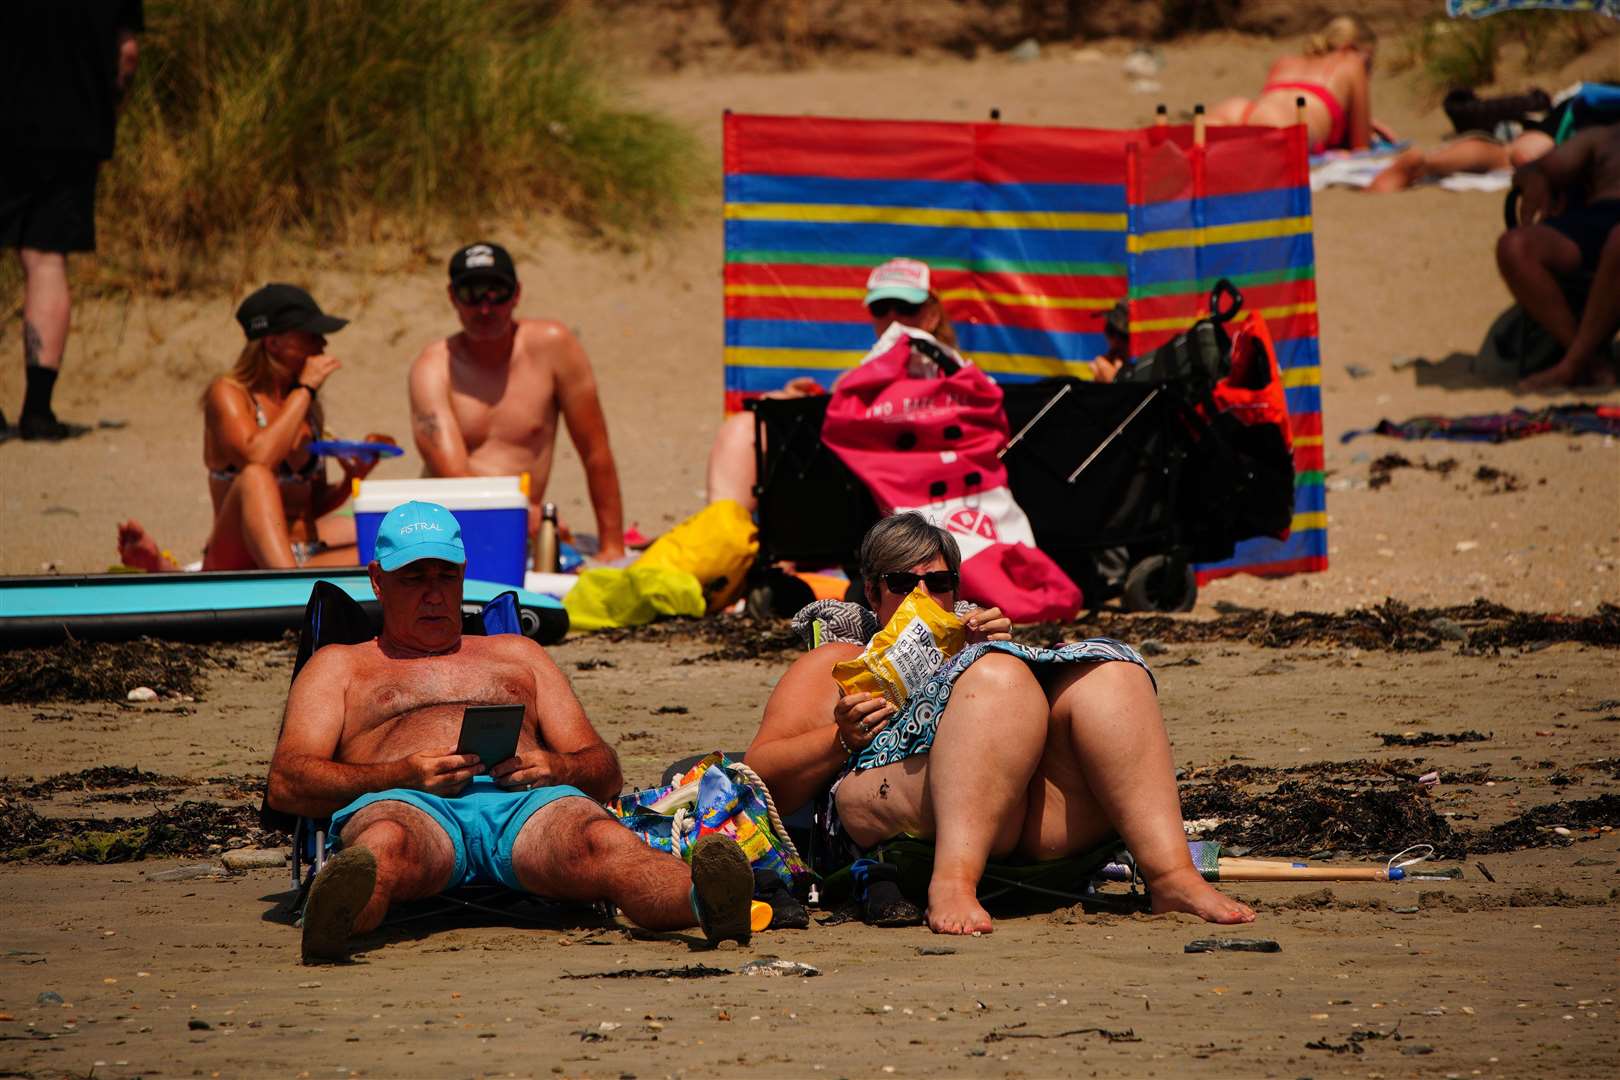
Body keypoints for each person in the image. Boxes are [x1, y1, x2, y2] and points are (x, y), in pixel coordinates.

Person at [266, 500, 754, 963]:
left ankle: (705, 901)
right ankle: (336, 921)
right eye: (414, 577)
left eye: (446, 575)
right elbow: (287, 783)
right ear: (377, 580)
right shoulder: (341, 666)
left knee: (605, 842)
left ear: (463, 574)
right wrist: (398, 775)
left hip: (525, 808)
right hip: (407, 803)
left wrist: (556, 766)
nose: (434, 593)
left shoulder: (518, 655)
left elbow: (604, 771)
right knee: (385, 846)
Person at [744, 513, 1254, 936]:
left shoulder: (977, 638)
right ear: (873, 593)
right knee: (997, 677)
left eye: (939, 583)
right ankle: (954, 883)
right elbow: (758, 774)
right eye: (903, 583)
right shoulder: (838, 658)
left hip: (1024, 816)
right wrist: (840, 739)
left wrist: (1006, 653)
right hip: (886, 802)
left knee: (1111, 675)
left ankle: (1171, 875)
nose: (923, 595)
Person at [706, 257, 1120, 510]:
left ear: (932, 315)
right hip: (856, 494)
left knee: (750, 428)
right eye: (881, 309)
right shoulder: (863, 376)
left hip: (931, 499)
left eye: (905, 307)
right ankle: (725, 548)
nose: (893, 319)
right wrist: (795, 403)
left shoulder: (965, 381)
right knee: (746, 426)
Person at [116, 283, 387, 571]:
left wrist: (350, 480)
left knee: (391, 553)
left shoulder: (305, 406)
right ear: (273, 344)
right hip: (237, 558)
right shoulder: (229, 394)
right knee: (255, 477)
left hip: (300, 555)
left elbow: (310, 505)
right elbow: (258, 458)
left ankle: (291, 583)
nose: (323, 345)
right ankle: (291, 592)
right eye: (311, 336)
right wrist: (305, 389)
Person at [409, 242, 626, 562]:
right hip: (448, 535)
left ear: (517, 294)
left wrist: (612, 547)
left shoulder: (554, 347)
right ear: (452, 297)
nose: (486, 307)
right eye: (472, 293)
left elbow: (596, 451)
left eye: (497, 292)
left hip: (522, 531)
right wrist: (523, 512)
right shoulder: (432, 367)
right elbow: (453, 476)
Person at [0, 0, 142, 440]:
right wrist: (109, 113)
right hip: (73, 125)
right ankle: (38, 410)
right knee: (46, 259)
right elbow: (128, 53)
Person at [1498, 122, 1620, 391]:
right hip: (1594, 220)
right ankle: (1590, 359)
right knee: (1515, 247)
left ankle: (1571, 366)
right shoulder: (1605, 135)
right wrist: (1533, 177)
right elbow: (1538, 167)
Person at [1209, 15, 1378, 154]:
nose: (1369, 70)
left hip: (1239, 110)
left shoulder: (1285, 61)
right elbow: (1360, 147)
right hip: (1282, 125)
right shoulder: (1352, 62)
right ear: (1350, 48)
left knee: (1198, 149)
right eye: (1369, 61)